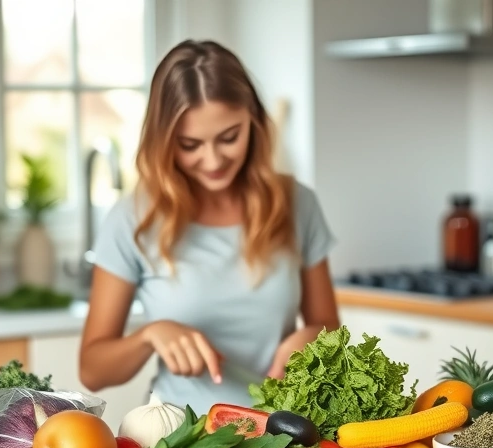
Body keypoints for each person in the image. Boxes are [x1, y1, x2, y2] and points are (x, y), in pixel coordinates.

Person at [78, 39, 341, 415]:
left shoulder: (298, 204)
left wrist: (311, 338)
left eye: (229, 137)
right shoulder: (133, 218)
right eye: (190, 144)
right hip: (177, 442)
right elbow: (92, 369)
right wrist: (150, 336)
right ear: (164, 141)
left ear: (253, 118)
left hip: (283, 433)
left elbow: (327, 325)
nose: (213, 159)